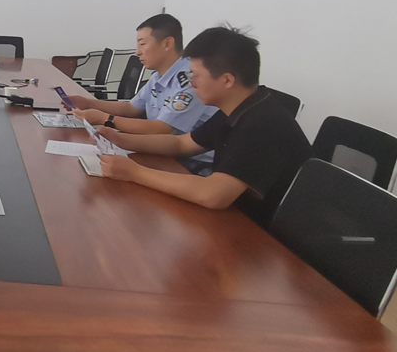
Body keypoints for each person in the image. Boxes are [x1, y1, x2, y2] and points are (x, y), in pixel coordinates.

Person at [95, 26, 312, 228]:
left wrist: (134, 172)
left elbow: (213, 194)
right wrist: (121, 139)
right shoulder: (239, 107)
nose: (191, 83)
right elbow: (182, 143)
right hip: (240, 217)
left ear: (227, 80)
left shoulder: (262, 124)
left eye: (195, 75)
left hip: (272, 237)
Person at [66, 14, 218, 171]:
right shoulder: (158, 76)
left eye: (142, 44)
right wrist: (87, 103)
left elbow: (161, 129)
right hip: (161, 150)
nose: (137, 52)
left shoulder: (191, 81)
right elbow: (130, 108)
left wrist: (105, 118)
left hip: (192, 163)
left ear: (167, 43)